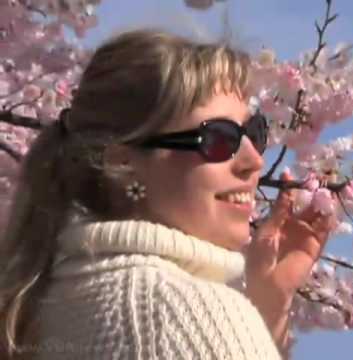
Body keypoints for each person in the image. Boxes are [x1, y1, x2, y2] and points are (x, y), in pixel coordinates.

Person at [0, 29, 334, 359]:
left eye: (255, 132)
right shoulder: (189, 316)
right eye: (219, 138)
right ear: (124, 162)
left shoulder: (46, 301)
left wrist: (269, 307)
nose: (254, 160)